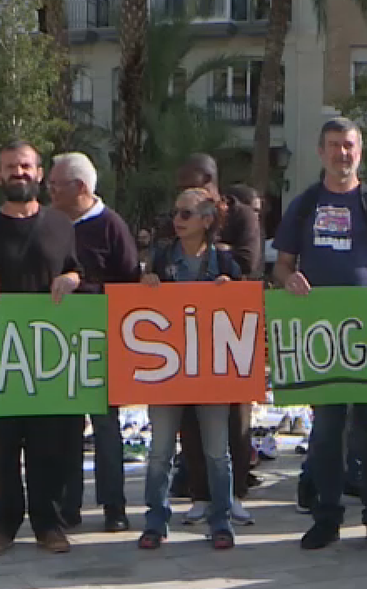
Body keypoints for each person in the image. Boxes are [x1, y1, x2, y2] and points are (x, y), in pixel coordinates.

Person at [275, 118, 367, 551]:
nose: (342, 154)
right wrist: (288, 280)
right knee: (326, 430)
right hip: (320, 333)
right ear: (321, 152)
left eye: (349, 146)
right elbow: (281, 264)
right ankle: (326, 516)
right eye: (334, 146)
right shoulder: (303, 205)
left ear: (360, 152)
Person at [0, 141, 84, 557]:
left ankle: (49, 524)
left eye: (26, 166)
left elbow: (79, 272)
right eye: (11, 167)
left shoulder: (61, 225)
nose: (19, 173)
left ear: (40, 172)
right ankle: (2, 525)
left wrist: (72, 280)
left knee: (50, 447)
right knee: (2, 446)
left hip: (48, 354)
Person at [137, 188, 242, 550]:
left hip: (212, 370)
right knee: (160, 450)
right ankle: (155, 520)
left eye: (185, 214)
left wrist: (233, 289)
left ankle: (221, 520)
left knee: (217, 451)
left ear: (207, 220)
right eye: (175, 213)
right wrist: (147, 285)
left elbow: (245, 310)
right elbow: (140, 310)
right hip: (167, 370)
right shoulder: (162, 256)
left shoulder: (225, 261)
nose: (177, 220)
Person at [47, 151, 141, 532]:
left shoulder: (111, 226)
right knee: (65, 429)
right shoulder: (49, 223)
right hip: (59, 343)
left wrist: (82, 286)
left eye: (55, 185)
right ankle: (67, 506)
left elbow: (130, 285)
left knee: (106, 427)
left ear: (80, 187)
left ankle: (113, 505)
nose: (49, 191)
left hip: (102, 344)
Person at [175, 155, 260, 524]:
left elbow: (248, 262)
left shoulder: (242, 216)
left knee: (236, 413)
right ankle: (200, 493)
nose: (186, 196)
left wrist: (219, 258)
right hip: (186, 327)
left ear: (211, 183)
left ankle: (236, 492)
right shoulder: (180, 214)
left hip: (233, 327)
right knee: (190, 412)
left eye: (194, 185)